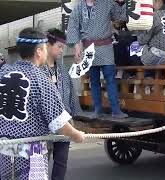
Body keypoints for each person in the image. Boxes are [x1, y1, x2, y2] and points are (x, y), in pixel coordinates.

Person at [0, 27, 85, 180]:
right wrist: (76, 135)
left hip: (4, 151)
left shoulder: (3, 73)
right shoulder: (40, 79)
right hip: (32, 154)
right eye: (45, 47)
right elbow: (59, 122)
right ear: (39, 51)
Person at [66, 0, 128, 119]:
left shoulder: (107, 3)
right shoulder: (78, 8)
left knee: (110, 79)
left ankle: (116, 110)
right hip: (89, 47)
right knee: (94, 81)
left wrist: (121, 3)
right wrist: (76, 45)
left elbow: (120, 16)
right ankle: (97, 110)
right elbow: (73, 26)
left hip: (106, 46)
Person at [41, 28, 82, 180]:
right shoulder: (37, 70)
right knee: (41, 162)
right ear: (48, 45)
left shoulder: (63, 70)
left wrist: (74, 118)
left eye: (63, 47)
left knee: (61, 162)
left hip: (64, 123)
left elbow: (71, 94)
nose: (61, 50)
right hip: (43, 126)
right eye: (59, 46)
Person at [137, 0, 165, 66]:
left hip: (157, 56)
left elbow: (142, 40)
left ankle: (147, 76)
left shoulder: (154, 15)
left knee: (135, 51)